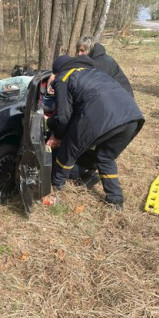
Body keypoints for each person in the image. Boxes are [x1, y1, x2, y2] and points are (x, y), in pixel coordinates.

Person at [45, 55, 145, 209]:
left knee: (68, 148)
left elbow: (64, 117)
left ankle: (57, 185)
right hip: (132, 117)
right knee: (105, 157)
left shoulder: (63, 78)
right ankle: (116, 200)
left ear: (58, 71)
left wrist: (56, 135)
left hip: (99, 118)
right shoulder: (95, 72)